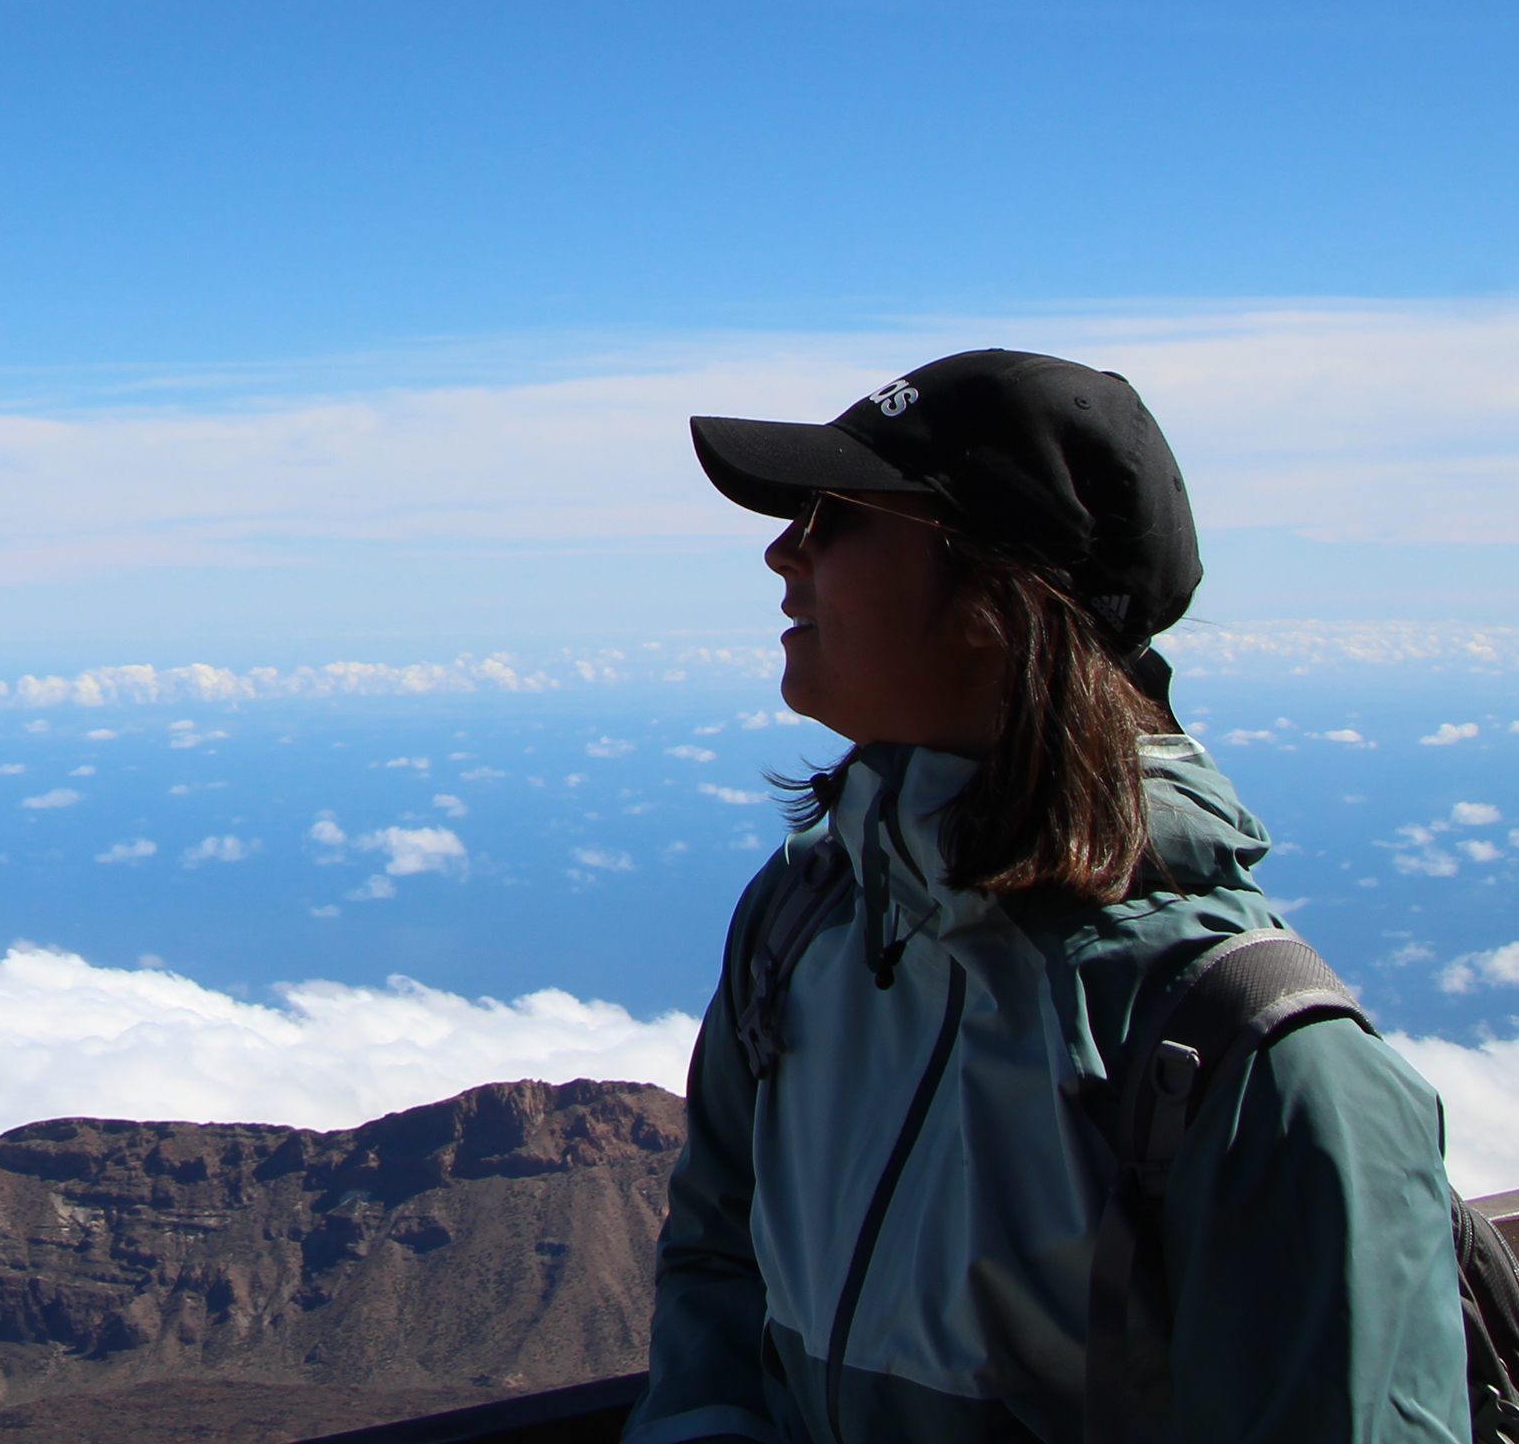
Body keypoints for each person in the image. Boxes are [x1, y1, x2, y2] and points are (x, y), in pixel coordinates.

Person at [626, 350, 1467, 1444]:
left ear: (995, 586)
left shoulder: (1247, 1058)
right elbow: (718, 1254)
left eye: (835, 515)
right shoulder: (808, 921)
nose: (786, 549)